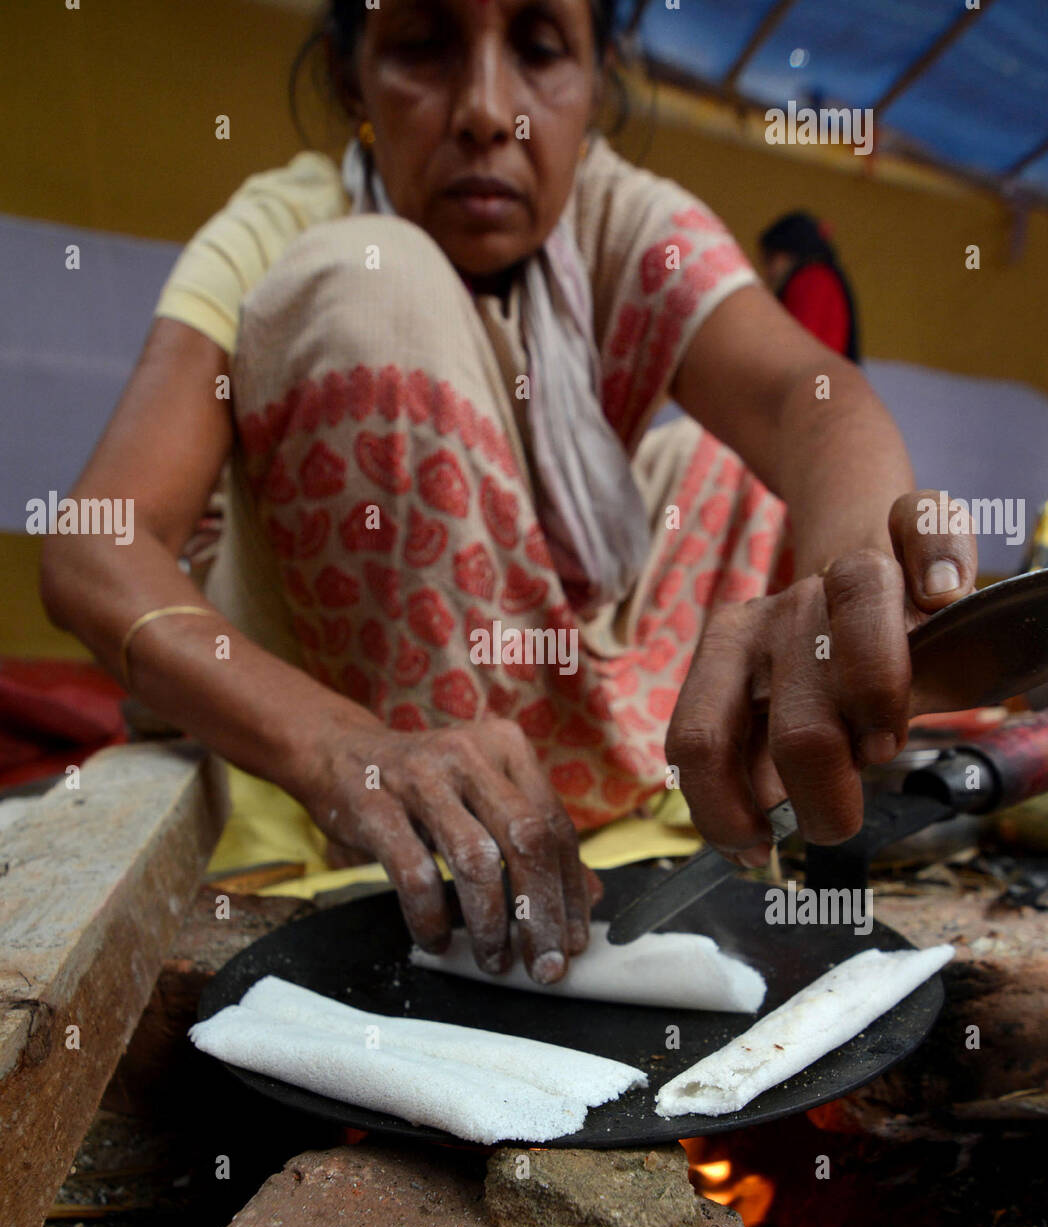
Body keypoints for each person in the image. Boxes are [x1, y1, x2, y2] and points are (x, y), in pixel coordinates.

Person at [40, 0, 975, 986]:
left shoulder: (626, 218)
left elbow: (808, 397)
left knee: (726, 465)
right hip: (345, 711)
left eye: (537, 49)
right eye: (423, 46)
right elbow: (98, 545)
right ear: (353, 78)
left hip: (557, 667)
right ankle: (439, 819)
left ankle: (574, 792)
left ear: (595, 84)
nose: (489, 111)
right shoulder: (281, 221)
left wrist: (840, 593)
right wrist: (333, 745)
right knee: (372, 279)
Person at [758, 211, 861, 362]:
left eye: (770, 260)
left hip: (817, 379)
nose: (768, 272)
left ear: (787, 253)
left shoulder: (812, 280)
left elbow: (798, 346)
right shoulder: (822, 277)